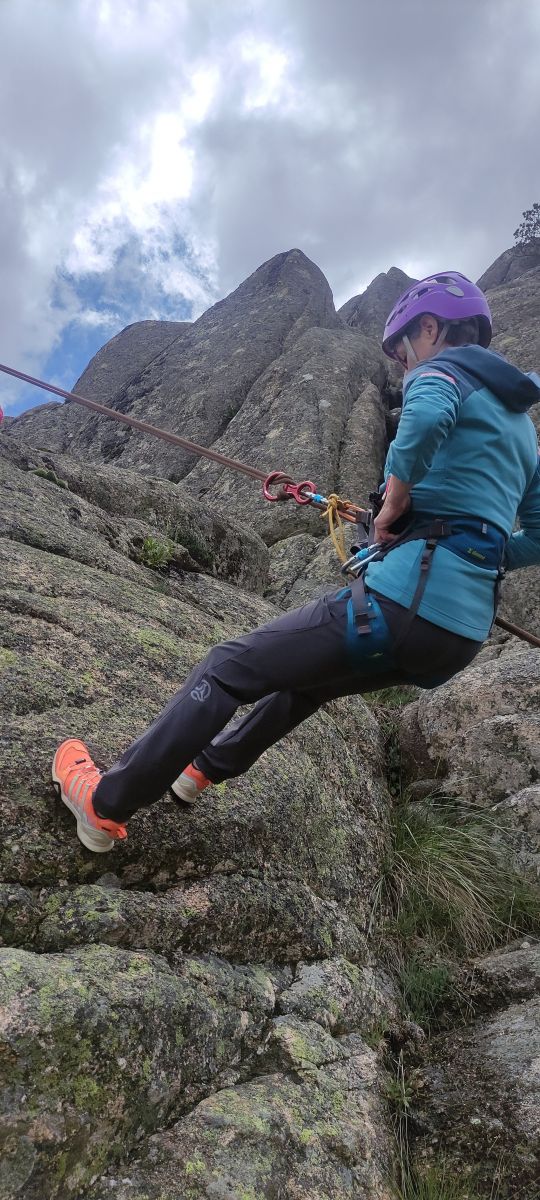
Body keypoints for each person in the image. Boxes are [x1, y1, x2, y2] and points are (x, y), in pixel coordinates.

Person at [52, 272, 540, 852]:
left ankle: (105, 804)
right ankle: (200, 771)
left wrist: (395, 504)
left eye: (401, 351)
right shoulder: (522, 430)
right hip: (458, 638)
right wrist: (477, 550)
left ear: (430, 329)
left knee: (227, 667)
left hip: (403, 604)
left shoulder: (442, 372)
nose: (402, 366)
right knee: (307, 685)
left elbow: (428, 418)